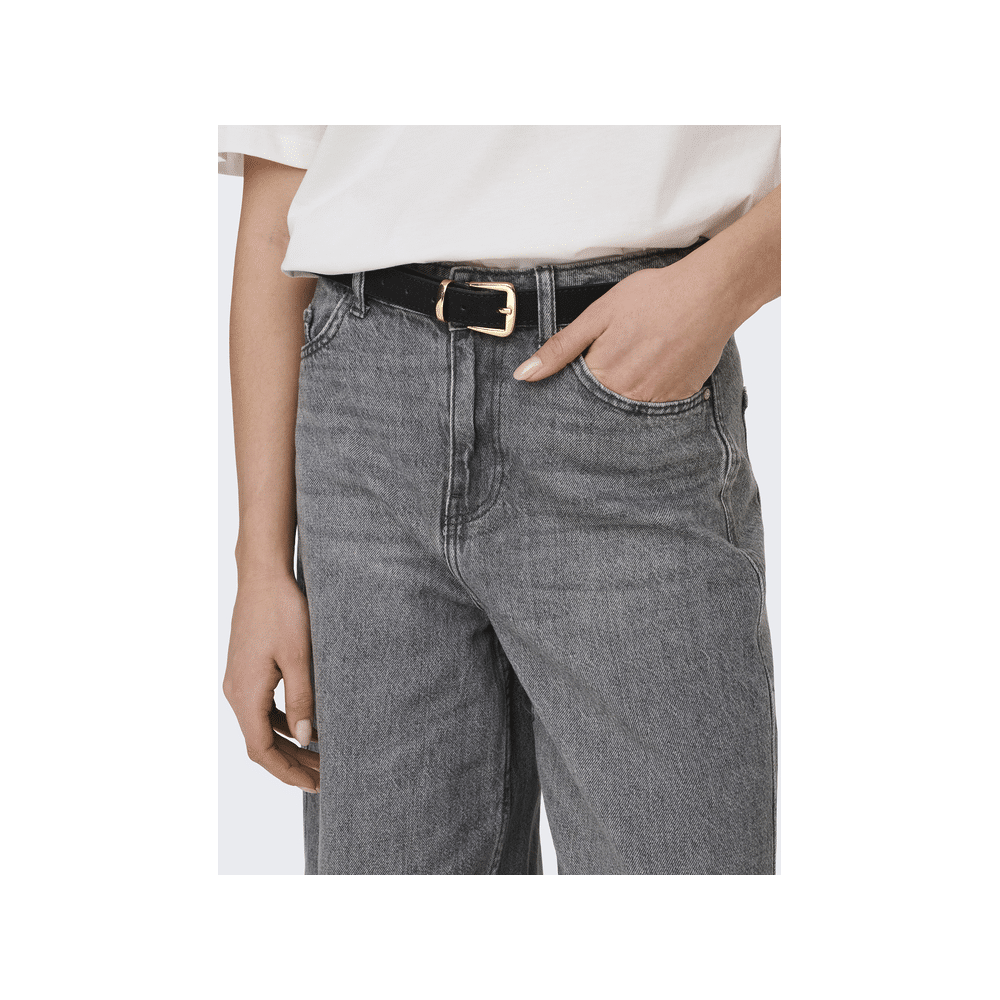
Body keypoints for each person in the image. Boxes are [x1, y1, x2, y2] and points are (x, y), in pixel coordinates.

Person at [219, 125, 780, 875]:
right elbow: (274, 213)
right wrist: (260, 564)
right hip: (365, 417)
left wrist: (715, 288)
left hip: (618, 399)